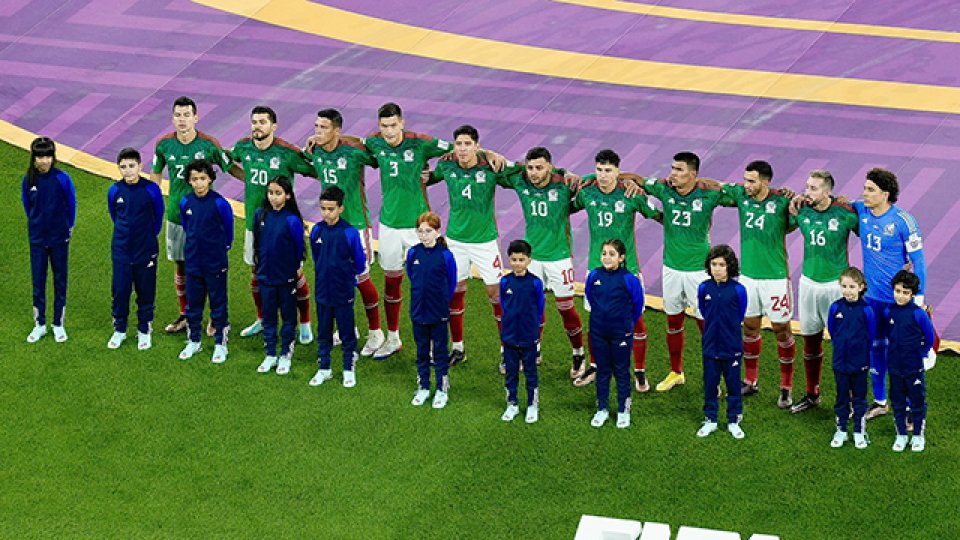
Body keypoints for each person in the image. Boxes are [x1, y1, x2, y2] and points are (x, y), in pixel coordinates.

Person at [364, 103, 454, 360]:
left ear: (402, 123)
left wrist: (435, 175)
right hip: (389, 225)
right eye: (384, 126)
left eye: (393, 126)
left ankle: (439, 344)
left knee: (430, 284)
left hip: (420, 227)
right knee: (392, 283)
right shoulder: (374, 142)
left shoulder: (421, 143)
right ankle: (393, 338)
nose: (389, 132)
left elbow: (458, 149)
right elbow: (352, 143)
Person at [571, 149, 661, 391]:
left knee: (636, 322)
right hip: (595, 269)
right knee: (596, 319)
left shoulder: (631, 194)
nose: (603, 175)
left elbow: (659, 215)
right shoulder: (587, 192)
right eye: (599, 170)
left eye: (608, 171)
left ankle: (640, 371)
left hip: (628, 270)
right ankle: (596, 365)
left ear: (618, 172)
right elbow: (566, 207)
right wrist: (585, 178)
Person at [643, 152, 733, 391]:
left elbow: (740, 197)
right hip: (671, 268)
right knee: (673, 322)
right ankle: (676, 372)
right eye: (672, 168)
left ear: (693, 174)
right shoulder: (664, 189)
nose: (673, 173)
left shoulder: (709, 193)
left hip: (699, 272)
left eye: (679, 169)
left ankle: (715, 378)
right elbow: (636, 180)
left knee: (707, 325)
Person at [150, 96, 240, 334]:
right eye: (178, 115)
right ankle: (186, 315)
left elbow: (230, 167)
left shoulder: (209, 145)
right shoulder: (163, 145)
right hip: (176, 217)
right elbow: (156, 175)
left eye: (187, 115)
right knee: (181, 266)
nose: (182, 120)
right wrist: (153, 204)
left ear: (196, 117)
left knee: (208, 268)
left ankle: (214, 317)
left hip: (206, 219)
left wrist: (256, 184)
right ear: (172, 118)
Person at [230, 105, 315, 344]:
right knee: (256, 272)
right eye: (254, 121)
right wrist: (245, 177)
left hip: (284, 226)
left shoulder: (287, 152)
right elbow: (228, 161)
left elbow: (315, 171)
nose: (257, 126)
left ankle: (305, 322)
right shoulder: (243, 147)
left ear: (273, 126)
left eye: (262, 122)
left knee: (294, 273)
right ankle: (262, 319)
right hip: (254, 225)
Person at [427, 125, 511, 366]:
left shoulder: (491, 166)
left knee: (495, 294)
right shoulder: (446, 165)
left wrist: (492, 154)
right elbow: (427, 177)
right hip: (455, 241)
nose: (462, 149)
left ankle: (507, 350)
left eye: (467, 144)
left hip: (485, 242)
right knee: (455, 290)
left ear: (476, 145)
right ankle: (458, 348)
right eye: (458, 144)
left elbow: (520, 172)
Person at [303, 108, 384, 356]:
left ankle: (376, 332)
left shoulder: (355, 150)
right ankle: (349, 328)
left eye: (323, 127)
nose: (317, 132)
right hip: (330, 227)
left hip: (357, 225)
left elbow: (382, 156)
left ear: (337, 130)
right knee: (338, 277)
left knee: (362, 278)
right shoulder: (315, 151)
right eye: (316, 126)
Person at [851, 168, 928, 421]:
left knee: (902, 355)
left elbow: (920, 263)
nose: (864, 193)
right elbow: (834, 203)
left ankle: (907, 406)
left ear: (885, 194)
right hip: (871, 300)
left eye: (870, 189)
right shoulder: (861, 210)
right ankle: (881, 401)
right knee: (875, 349)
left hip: (899, 303)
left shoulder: (904, 221)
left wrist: (918, 300)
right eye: (864, 188)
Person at [499, 147, 585, 374]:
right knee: (531, 307)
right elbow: (497, 167)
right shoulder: (521, 180)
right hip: (531, 257)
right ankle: (533, 349)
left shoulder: (564, 183)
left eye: (539, 168)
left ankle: (578, 353)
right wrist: (491, 154)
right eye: (530, 168)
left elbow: (597, 180)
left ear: (550, 166)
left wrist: (567, 172)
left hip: (559, 257)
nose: (534, 173)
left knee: (566, 308)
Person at [720, 161, 797, 408]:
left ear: (766, 181)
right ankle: (750, 380)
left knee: (781, 330)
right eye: (745, 180)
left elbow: (800, 215)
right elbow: (713, 186)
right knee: (750, 327)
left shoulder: (784, 201)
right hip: (748, 277)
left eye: (752, 181)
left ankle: (786, 387)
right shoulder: (742, 196)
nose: (747, 185)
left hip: (775, 278)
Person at [790, 170, 859, 414]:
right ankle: (812, 393)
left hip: (835, 288)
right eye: (807, 186)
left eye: (814, 188)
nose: (808, 192)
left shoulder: (845, 213)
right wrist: (791, 202)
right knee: (810, 340)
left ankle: (849, 399)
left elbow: (867, 234)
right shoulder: (802, 210)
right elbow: (786, 224)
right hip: (808, 284)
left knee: (843, 344)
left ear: (827, 191)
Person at [309, 186, 367, 388]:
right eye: (323, 209)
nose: (326, 213)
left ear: (341, 208)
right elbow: (317, 257)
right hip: (322, 291)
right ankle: (324, 368)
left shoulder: (350, 233)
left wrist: (345, 275)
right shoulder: (316, 230)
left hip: (343, 291)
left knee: (346, 332)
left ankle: (348, 368)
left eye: (331, 209)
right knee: (324, 331)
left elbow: (359, 262)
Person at [106, 147, 164, 351]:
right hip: (121, 250)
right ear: (119, 169)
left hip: (146, 250)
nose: (128, 171)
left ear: (140, 166)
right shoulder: (115, 190)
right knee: (120, 291)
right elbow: (115, 216)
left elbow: (158, 218)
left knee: (145, 292)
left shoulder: (152, 190)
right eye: (123, 167)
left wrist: (147, 238)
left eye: (132, 166)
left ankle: (144, 331)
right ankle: (119, 330)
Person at [177, 159, 233, 363]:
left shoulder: (219, 203)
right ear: (189, 181)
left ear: (210, 179)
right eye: (194, 179)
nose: (199, 183)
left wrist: (220, 250)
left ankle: (220, 344)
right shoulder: (185, 202)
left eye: (202, 178)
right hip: (193, 261)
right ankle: (194, 341)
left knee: (218, 303)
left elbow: (229, 231)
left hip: (215, 262)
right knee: (193, 304)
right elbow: (187, 226)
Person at [584, 239, 645, 429]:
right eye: (604, 253)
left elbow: (638, 306)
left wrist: (625, 325)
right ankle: (602, 409)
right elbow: (590, 298)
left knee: (621, 371)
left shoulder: (629, 279)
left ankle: (623, 410)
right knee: (602, 370)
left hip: (621, 333)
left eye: (611, 254)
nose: (607, 257)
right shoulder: (594, 275)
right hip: (598, 331)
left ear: (621, 257)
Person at [22, 137, 76, 343]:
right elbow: (29, 208)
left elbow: (72, 206)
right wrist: (38, 227)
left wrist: (66, 229)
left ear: (53, 157)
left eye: (47, 156)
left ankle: (58, 324)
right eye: (39, 156)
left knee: (60, 280)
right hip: (37, 239)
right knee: (38, 282)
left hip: (59, 239)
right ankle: (40, 324)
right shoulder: (28, 180)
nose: (43, 161)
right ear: (33, 158)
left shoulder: (63, 178)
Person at [253, 177, 305, 376]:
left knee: (288, 316)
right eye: (270, 193)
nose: (273, 197)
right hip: (265, 276)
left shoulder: (292, 220)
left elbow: (299, 248)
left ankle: (285, 354)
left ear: (288, 195)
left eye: (278, 193)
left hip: (285, 277)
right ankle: (270, 353)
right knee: (268, 316)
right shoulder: (260, 215)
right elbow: (258, 243)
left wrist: (295, 269)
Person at [406, 212, 457, 409]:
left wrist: (442, 300)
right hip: (418, 310)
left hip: (439, 311)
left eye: (428, 231)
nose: (424, 235)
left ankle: (442, 389)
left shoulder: (445, 255)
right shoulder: (413, 253)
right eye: (420, 231)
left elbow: (451, 282)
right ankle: (424, 386)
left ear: (438, 232)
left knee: (440, 351)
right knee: (421, 350)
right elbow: (412, 275)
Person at [696, 244, 748, 439]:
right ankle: (711, 419)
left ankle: (734, 420)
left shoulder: (738, 290)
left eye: (721, 264)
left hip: (731, 346)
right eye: (713, 264)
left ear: (730, 267)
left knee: (733, 386)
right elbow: (703, 310)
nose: (717, 268)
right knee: (710, 385)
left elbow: (740, 314)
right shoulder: (704, 287)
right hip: (710, 346)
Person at [827, 267, 876, 449]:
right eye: (844, 286)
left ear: (861, 287)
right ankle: (841, 430)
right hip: (840, 362)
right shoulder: (836, 307)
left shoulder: (867, 310)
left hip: (860, 363)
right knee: (841, 397)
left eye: (852, 286)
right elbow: (832, 330)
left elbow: (870, 336)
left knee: (860, 398)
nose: (848, 291)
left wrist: (861, 353)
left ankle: (859, 431)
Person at [886, 270, 935, 452]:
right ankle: (900, 435)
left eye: (905, 292)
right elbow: (886, 334)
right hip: (894, 366)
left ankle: (918, 436)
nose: (900, 295)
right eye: (898, 291)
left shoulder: (918, 314)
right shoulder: (888, 311)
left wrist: (919, 354)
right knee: (897, 401)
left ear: (912, 294)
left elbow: (929, 338)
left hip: (913, 367)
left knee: (917, 400)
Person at [499, 239, 545, 424]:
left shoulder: (535, 283)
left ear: (529, 260)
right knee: (511, 373)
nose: (517, 263)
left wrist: (531, 327)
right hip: (509, 337)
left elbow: (540, 306)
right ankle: (512, 404)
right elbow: (504, 304)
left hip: (528, 337)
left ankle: (532, 406)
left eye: (521, 259)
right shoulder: (505, 281)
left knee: (531, 372)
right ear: (509, 259)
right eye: (514, 259)